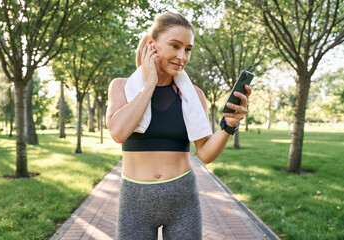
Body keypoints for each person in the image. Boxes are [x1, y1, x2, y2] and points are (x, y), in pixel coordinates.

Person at [106, 11, 251, 240]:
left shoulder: (194, 96)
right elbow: (118, 132)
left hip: (183, 200)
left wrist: (228, 125)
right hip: (134, 202)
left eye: (188, 49)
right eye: (175, 46)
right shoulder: (121, 87)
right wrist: (150, 83)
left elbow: (205, 153)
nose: (182, 56)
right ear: (151, 44)